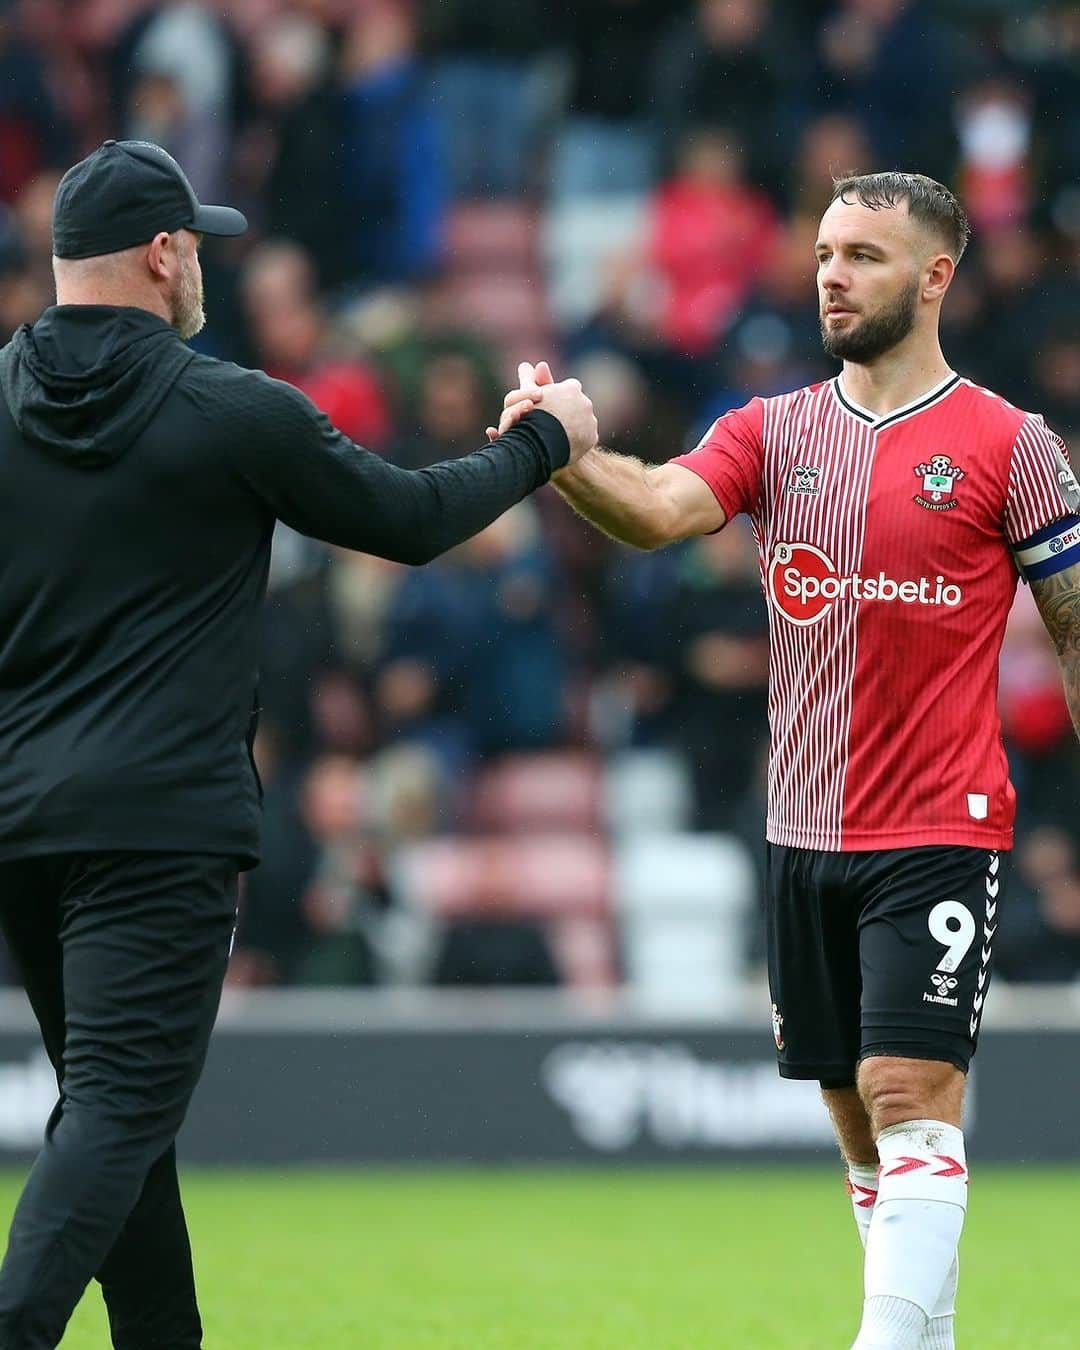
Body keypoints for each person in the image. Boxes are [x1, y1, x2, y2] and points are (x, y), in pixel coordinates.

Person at [0, 138, 597, 1349]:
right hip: (159, 826)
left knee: (118, 1121)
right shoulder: (228, 408)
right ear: (164, 256)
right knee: (118, 1114)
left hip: (22, 821)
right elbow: (411, 519)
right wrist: (544, 441)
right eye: (198, 244)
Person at [494, 172, 1080, 1350]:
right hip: (803, 831)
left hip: (940, 826)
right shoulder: (772, 429)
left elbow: (1074, 626)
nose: (831, 272)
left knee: (911, 1099)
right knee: (859, 1125)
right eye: (824, 251)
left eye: (864, 254)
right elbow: (659, 509)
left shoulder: (1015, 449)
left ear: (935, 278)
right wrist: (561, 452)